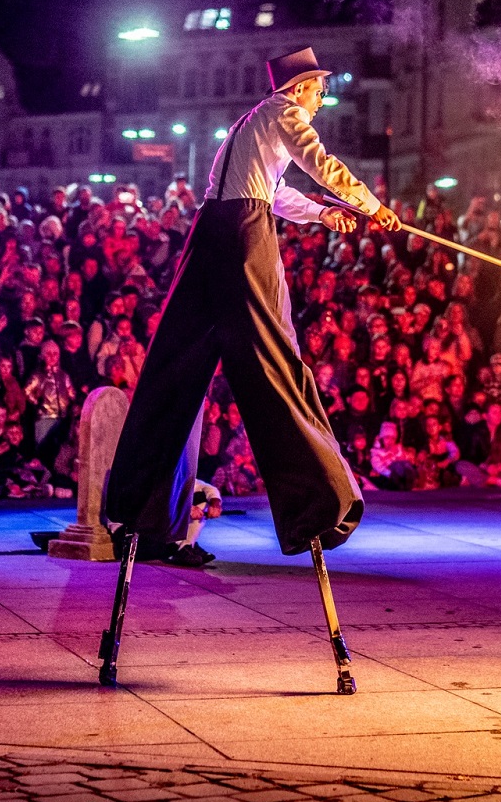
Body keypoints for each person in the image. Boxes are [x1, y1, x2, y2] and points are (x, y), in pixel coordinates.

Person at [105, 47, 400, 559]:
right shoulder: (286, 113)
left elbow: (273, 189)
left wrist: (322, 216)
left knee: (179, 368)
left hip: (209, 236)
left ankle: (146, 517)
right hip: (243, 237)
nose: (322, 98)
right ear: (300, 87)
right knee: (273, 357)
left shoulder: (249, 123)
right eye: (319, 89)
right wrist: (371, 205)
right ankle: (319, 503)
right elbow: (320, 163)